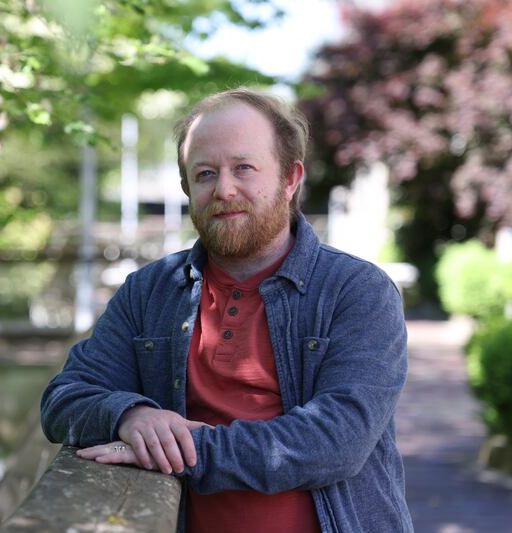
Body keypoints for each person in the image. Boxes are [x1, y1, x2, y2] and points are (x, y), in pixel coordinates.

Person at [41, 87, 413, 533]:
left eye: (244, 168)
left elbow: (336, 441)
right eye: (205, 174)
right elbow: (63, 399)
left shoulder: (357, 291)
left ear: (290, 179)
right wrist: (131, 417)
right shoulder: (150, 292)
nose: (224, 189)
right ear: (187, 188)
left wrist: (179, 450)